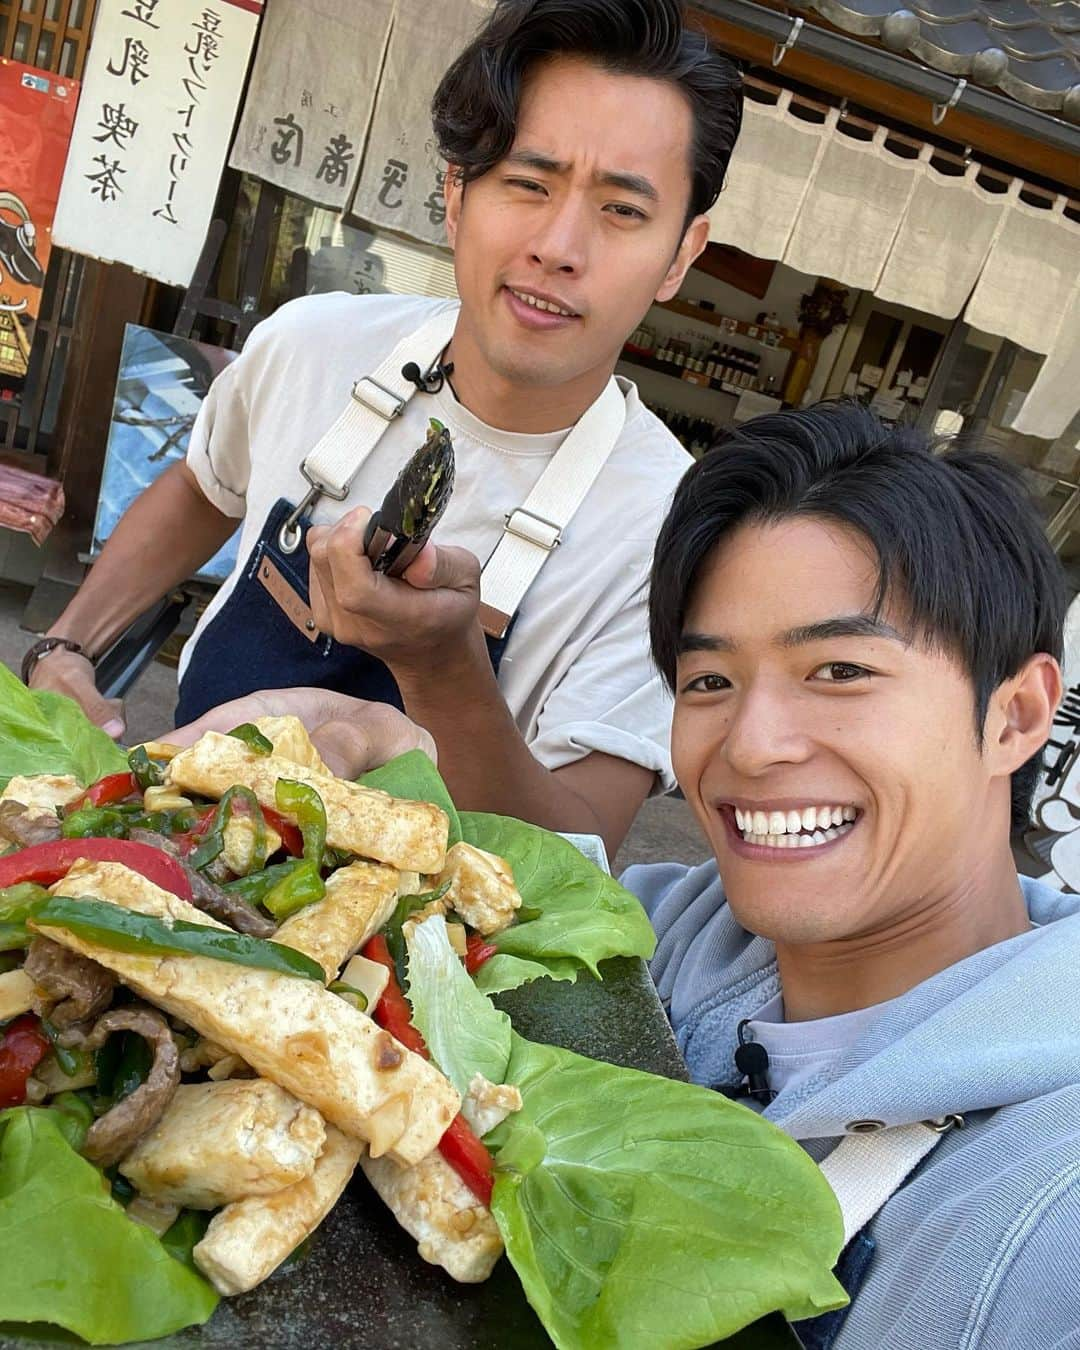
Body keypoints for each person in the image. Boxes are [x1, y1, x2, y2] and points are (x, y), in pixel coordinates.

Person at [24, 0, 742, 859]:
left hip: (408, 972)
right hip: (165, 846)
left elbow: (580, 842)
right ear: (454, 194)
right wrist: (69, 645)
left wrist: (442, 670)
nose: (559, 245)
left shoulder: (675, 534)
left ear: (682, 255)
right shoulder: (311, 343)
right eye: (528, 182)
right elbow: (203, 489)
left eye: (623, 211)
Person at [621, 402, 1079, 1348]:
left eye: (838, 670)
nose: (750, 747)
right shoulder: (647, 941)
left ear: (1017, 716)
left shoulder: (1043, 1204)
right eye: (709, 682)